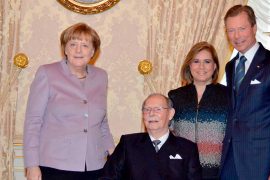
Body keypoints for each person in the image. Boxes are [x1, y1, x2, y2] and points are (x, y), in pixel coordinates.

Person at [23, 22, 115, 180]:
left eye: (85, 45)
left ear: (93, 51)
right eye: (73, 44)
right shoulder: (47, 73)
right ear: (65, 49)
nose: (78, 50)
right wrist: (31, 165)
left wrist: (114, 156)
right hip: (55, 166)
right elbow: (33, 121)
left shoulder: (101, 76)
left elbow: (102, 122)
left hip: (95, 165)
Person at [220, 5, 270, 180]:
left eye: (242, 28)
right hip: (230, 161)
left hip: (262, 164)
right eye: (231, 30)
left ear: (254, 28)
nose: (236, 36)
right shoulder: (231, 66)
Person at [100, 93, 202, 180]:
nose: (151, 113)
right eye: (147, 109)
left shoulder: (188, 148)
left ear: (170, 114)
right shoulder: (128, 144)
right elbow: (107, 177)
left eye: (158, 109)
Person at [168, 41, 229, 180]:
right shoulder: (175, 96)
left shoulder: (228, 96)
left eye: (207, 61)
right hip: (181, 171)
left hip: (217, 173)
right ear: (189, 65)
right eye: (196, 61)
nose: (201, 66)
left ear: (214, 66)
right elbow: (166, 135)